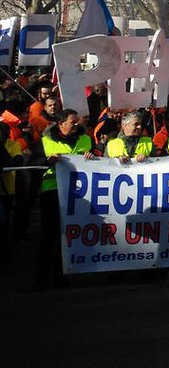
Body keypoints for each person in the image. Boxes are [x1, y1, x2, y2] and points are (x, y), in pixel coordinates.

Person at [36, 109, 95, 287]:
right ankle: (41, 279)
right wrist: (48, 160)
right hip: (52, 191)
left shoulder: (85, 139)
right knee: (49, 236)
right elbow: (35, 161)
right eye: (72, 122)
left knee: (67, 235)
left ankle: (60, 277)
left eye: (77, 121)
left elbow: (99, 161)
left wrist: (92, 157)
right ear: (60, 124)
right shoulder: (46, 141)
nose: (77, 125)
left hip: (77, 194)